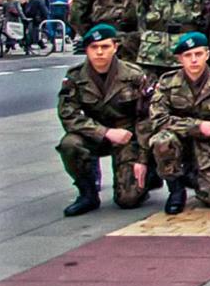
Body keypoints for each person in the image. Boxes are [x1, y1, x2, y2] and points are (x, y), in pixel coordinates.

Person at [56, 24, 152, 216]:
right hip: (94, 135)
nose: (99, 52)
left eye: (105, 46)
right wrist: (105, 132)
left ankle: (148, 177)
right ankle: (87, 193)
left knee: (128, 200)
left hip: (127, 138)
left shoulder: (133, 75)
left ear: (115, 47)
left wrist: (143, 158)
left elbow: (147, 117)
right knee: (70, 144)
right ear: (87, 49)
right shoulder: (75, 77)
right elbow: (68, 115)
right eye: (94, 47)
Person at [148, 32, 210, 214]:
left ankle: (195, 177)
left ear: (207, 55)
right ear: (179, 59)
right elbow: (158, 119)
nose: (193, 60)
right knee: (161, 140)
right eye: (188, 55)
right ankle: (176, 189)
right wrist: (196, 126)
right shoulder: (167, 83)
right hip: (178, 142)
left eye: (198, 54)